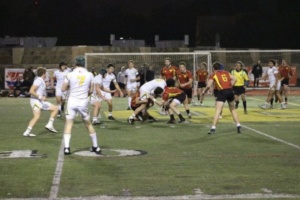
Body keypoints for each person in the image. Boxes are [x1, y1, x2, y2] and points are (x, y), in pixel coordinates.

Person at [61, 56, 101, 155]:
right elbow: (91, 90)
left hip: (72, 101)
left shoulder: (70, 74)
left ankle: (66, 148)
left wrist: (72, 87)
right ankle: (96, 146)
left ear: (76, 63)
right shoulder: (90, 74)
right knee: (88, 124)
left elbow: (63, 89)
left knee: (69, 123)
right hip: (83, 102)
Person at [202, 62, 241, 134]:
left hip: (222, 92)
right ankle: (238, 125)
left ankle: (213, 128)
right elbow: (235, 78)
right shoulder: (226, 72)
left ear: (213, 68)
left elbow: (208, 85)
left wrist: (204, 91)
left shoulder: (213, 74)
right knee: (232, 109)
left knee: (218, 110)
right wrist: (230, 85)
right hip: (230, 91)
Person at [22, 67, 59, 137]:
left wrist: (46, 85)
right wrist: (40, 97)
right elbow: (31, 91)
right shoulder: (38, 80)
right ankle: (27, 132)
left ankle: (50, 125)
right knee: (37, 116)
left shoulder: (41, 81)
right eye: (46, 73)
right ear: (43, 74)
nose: (47, 75)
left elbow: (40, 89)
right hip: (35, 101)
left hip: (40, 101)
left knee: (55, 109)